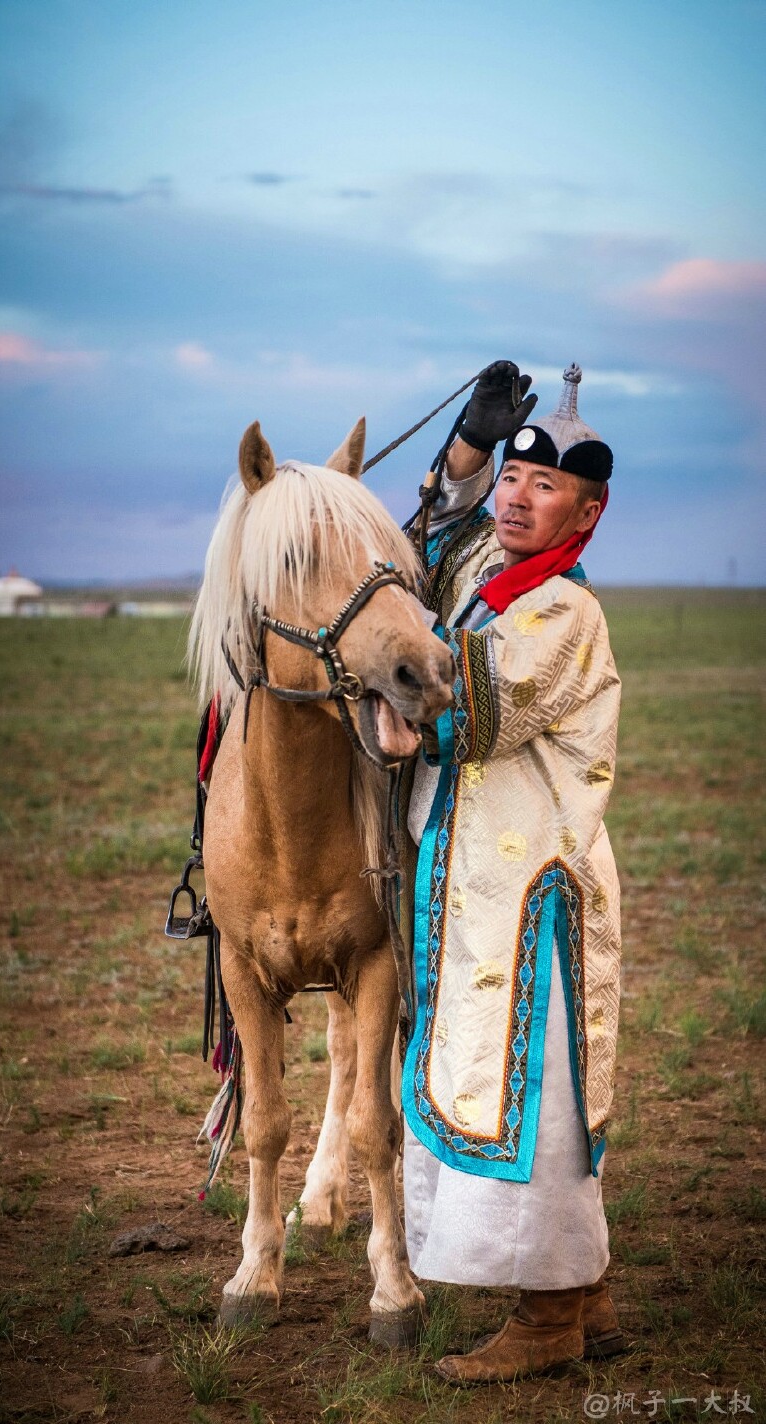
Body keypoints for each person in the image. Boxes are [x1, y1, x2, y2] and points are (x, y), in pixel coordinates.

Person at [398, 360, 626, 1382]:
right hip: (483, 890)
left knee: (538, 1092)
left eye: (545, 486)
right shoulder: (497, 576)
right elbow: (424, 549)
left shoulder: (560, 611)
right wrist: (465, 450)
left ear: (587, 511)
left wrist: (395, 709)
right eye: (513, 480)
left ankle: (548, 1314)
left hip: (534, 896)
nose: (518, 497)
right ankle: (586, 1293)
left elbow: (468, 706)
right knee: (522, 1087)